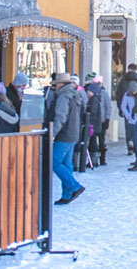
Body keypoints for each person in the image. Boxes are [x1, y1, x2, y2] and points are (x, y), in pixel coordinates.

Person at [48, 73, 85, 204]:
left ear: (61, 84)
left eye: (56, 84)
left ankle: (74, 186)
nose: (55, 87)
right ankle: (67, 194)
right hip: (73, 133)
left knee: (54, 162)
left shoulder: (64, 96)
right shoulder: (75, 94)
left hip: (63, 134)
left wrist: (52, 134)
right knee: (66, 164)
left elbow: (60, 117)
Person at [85, 75, 111, 166]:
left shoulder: (104, 93)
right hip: (96, 121)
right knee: (93, 140)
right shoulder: (92, 94)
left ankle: (102, 159)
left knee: (102, 140)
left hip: (102, 120)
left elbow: (108, 106)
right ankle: (95, 160)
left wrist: (107, 118)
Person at [115, 64, 137, 155]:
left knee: (128, 128)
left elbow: (118, 96)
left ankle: (130, 147)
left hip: (126, 109)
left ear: (128, 69)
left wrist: (121, 109)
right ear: (136, 70)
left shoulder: (123, 82)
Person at [120, 81, 137, 153]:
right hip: (131, 118)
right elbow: (123, 106)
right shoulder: (127, 95)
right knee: (130, 133)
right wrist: (128, 116)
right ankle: (131, 147)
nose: (134, 93)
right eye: (132, 92)